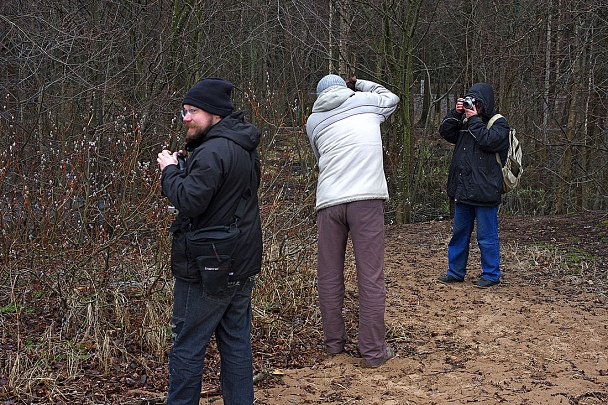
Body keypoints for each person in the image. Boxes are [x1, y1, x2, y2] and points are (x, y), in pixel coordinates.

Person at [157, 77, 262, 404]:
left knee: (187, 347)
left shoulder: (213, 150)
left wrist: (170, 171)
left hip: (207, 266)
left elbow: (189, 202)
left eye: (192, 111)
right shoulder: (242, 145)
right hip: (240, 260)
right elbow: (223, 200)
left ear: (214, 113)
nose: (185, 117)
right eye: (184, 111)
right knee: (236, 345)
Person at [305, 74, 399, 367]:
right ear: (344, 88)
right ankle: (372, 352)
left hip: (329, 202)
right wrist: (360, 83)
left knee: (329, 274)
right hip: (365, 199)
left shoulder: (313, 121)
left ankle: (334, 344)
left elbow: (320, 156)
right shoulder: (366, 102)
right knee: (370, 276)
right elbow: (392, 98)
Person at [438, 82, 510, 288]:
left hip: (486, 190)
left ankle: (491, 274)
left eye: (477, 102)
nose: (473, 105)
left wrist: (474, 119)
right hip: (463, 189)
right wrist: (456, 112)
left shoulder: (499, 123)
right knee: (459, 234)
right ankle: (455, 271)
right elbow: (445, 132)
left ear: (485, 103)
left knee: (487, 237)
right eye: (470, 101)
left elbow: (488, 141)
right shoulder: (465, 122)